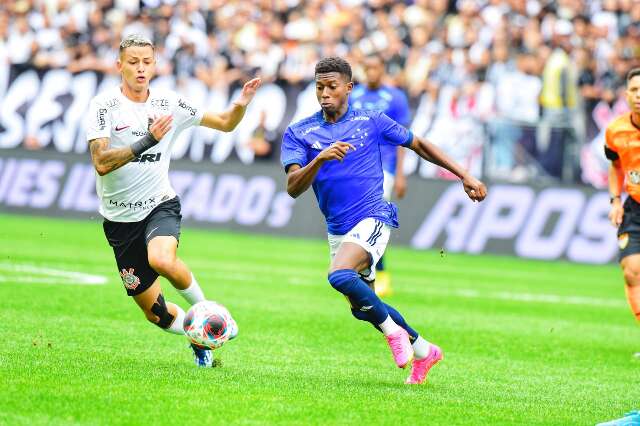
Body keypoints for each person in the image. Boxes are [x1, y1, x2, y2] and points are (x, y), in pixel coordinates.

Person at [281, 57, 486, 384]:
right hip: (338, 228)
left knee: (338, 275)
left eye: (332, 86)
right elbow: (293, 188)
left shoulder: (371, 121)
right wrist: (319, 159)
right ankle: (423, 349)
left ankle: (394, 334)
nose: (325, 94)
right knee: (361, 306)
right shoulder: (300, 132)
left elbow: (417, 143)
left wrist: (464, 175)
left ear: (349, 88)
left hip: (374, 216)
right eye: (320, 87)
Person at [85, 34, 261, 367]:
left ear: (155, 64)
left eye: (146, 62)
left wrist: (241, 105)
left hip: (159, 204)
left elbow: (224, 123)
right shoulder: (103, 106)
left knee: (162, 259)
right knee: (157, 315)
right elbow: (101, 162)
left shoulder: (169, 103)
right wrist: (148, 140)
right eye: (133, 62)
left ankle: (212, 316)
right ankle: (199, 337)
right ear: (119, 65)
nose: (140, 68)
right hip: (119, 221)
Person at [349, 54, 411, 297]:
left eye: (375, 68)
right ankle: (367, 270)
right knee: (359, 221)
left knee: (374, 219)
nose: (371, 72)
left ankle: (380, 272)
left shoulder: (395, 97)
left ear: (382, 69)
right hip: (356, 166)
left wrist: (402, 174)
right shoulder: (354, 95)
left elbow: (403, 136)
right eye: (368, 68)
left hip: (384, 167)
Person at [606, 67, 640, 358]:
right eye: (634, 90)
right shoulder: (616, 130)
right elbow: (616, 165)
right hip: (634, 208)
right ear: (627, 94)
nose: (639, 96)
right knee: (631, 271)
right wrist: (615, 200)